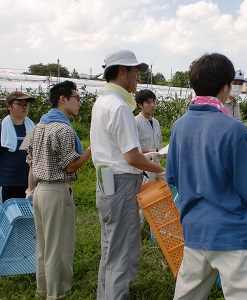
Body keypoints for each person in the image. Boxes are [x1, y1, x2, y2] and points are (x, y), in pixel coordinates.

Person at [166, 53, 247, 300]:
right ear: (226, 87)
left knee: (187, 294)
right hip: (233, 232)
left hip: (194, 229)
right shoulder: (233, 129)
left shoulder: (179, 125)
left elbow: (172, 177)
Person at [90, 50, 165, 300]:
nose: (137, 78)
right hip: (122, 184)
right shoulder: (119, 107)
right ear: (122, 71)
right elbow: (132, 157)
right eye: (135, 72)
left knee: (110, 249)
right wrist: (162, 170)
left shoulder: (102, 102)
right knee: (122, 252)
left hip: (106, 183)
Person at [26, 80, 92, 299]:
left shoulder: (39, 126)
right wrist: (92, 149)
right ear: (62, 99)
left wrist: (30, 190)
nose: (80, 104)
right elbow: (70, 165)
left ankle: (42, 288)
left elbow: (32, 162)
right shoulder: (63, 129)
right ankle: (56, 293)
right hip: (56, 190)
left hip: (40, 191)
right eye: (77, 98)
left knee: (44, 244)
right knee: (59, 245)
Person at [0, 91, 35, 203]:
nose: (24, 107)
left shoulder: (33, 128)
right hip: (7, 183)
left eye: (26, 104)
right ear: (9, 106)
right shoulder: (2, 128)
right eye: (20, 104)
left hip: (29, 184)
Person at [135, 89, 163, 228]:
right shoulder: (136, 122)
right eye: (148, 102)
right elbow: (133, 148)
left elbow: (158, 144)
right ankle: (137, 229)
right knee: (141, 197)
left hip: (155, 164)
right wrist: (150, 151)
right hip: (142, 166)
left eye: (154, 102)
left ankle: (153, 228)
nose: (152, 105)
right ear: (140, 105)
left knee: (155, 196)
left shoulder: (156, 122)